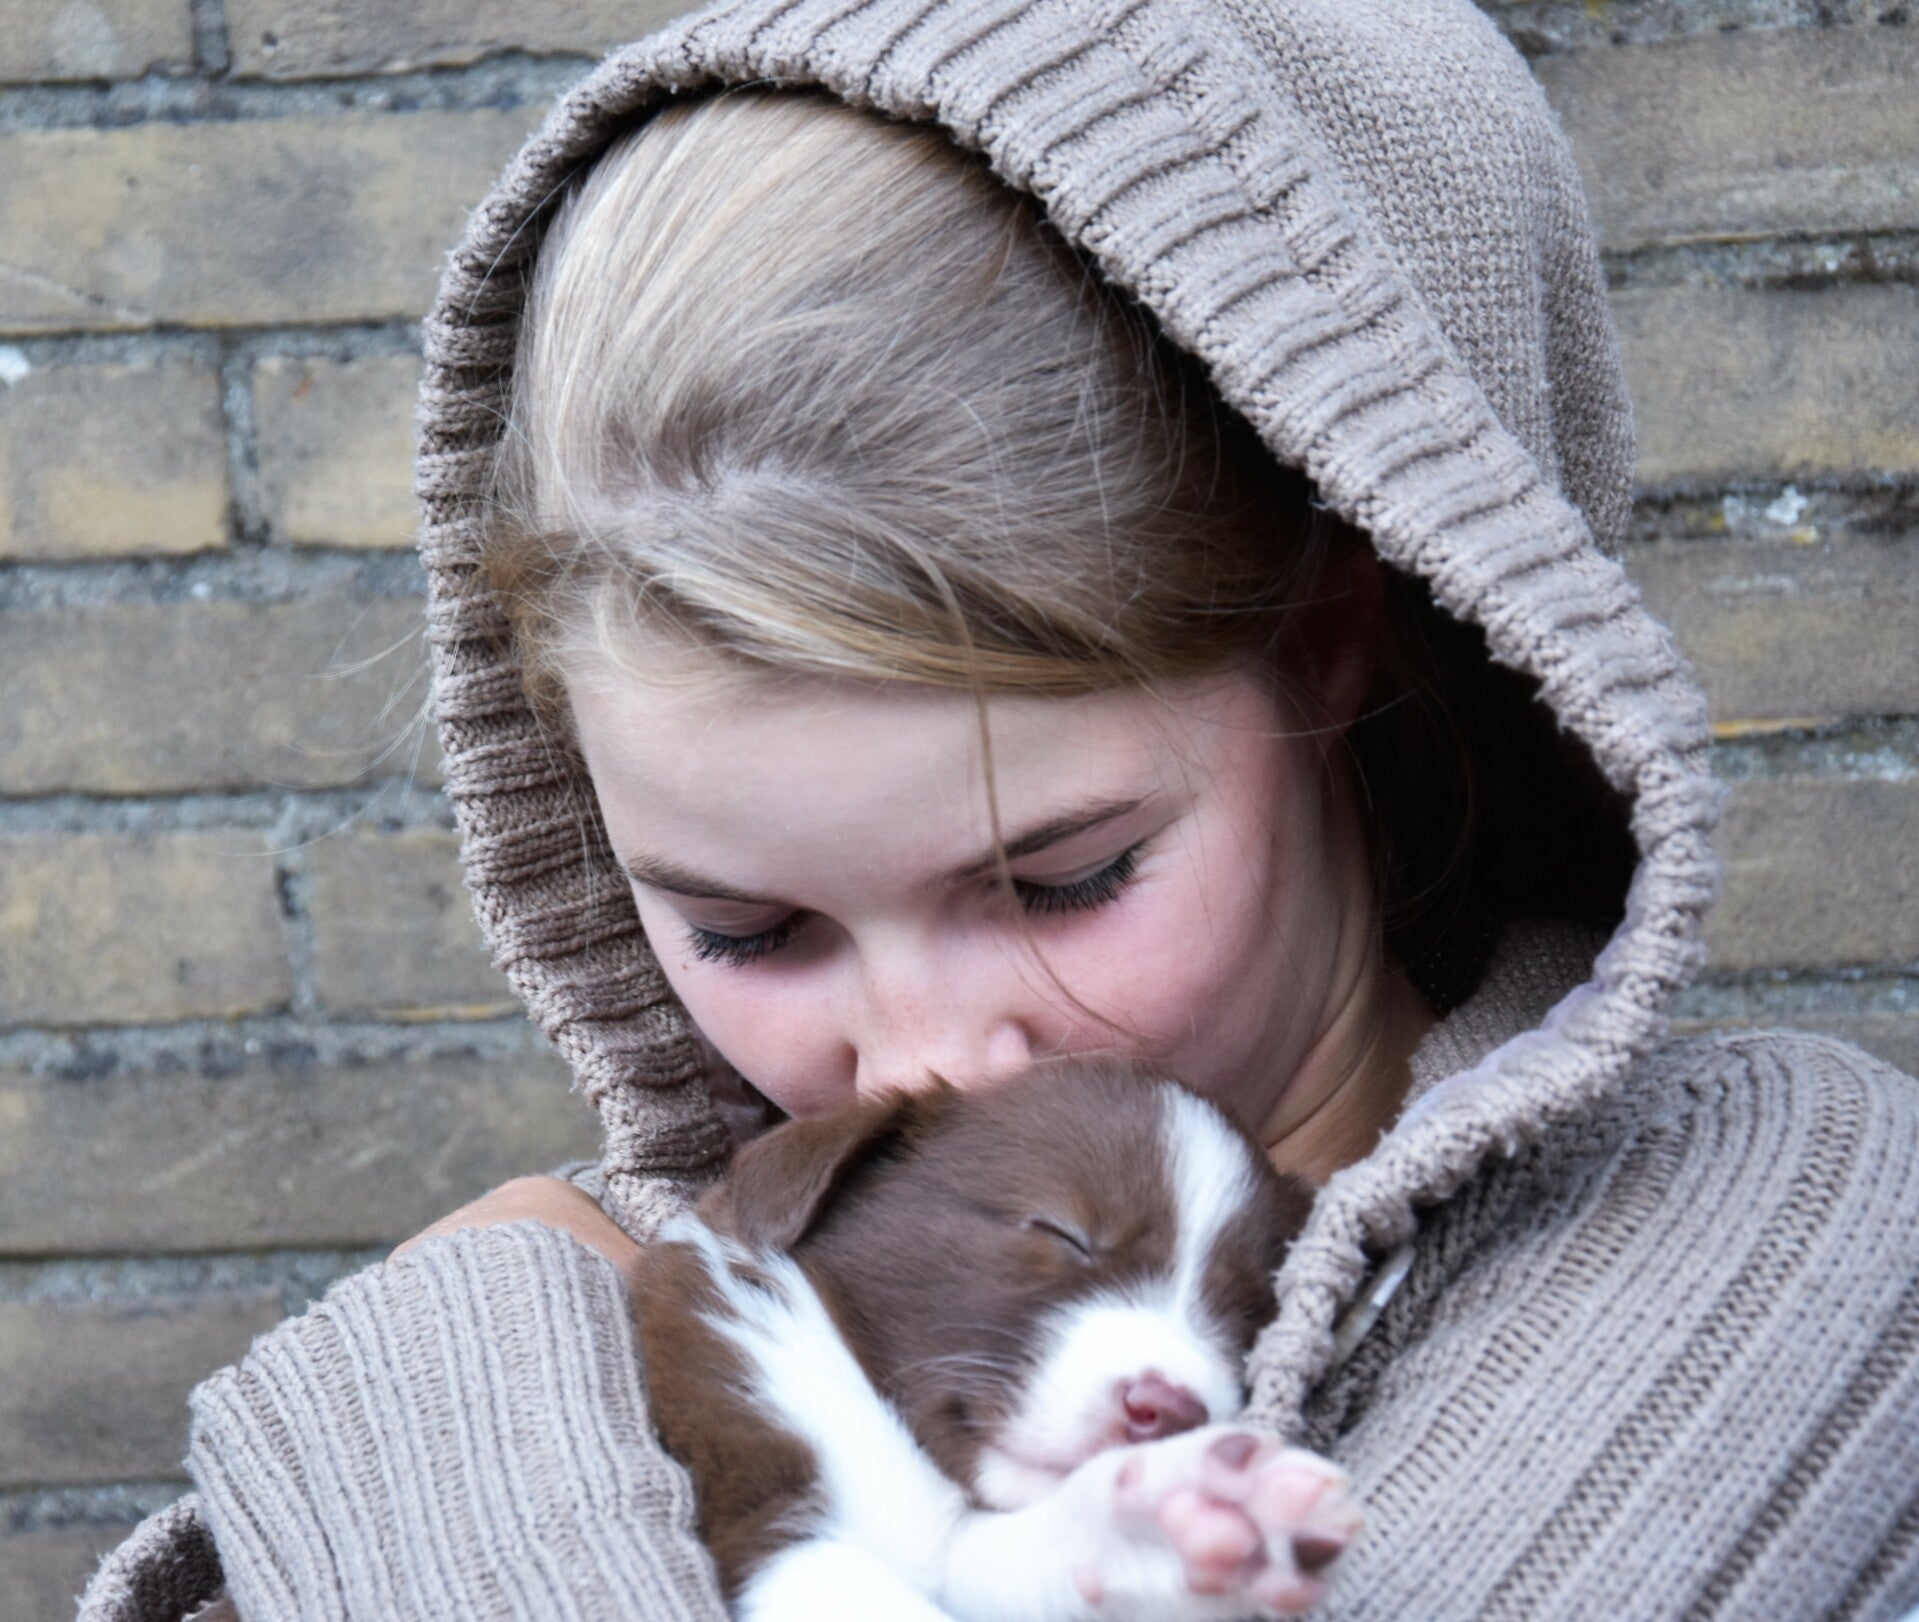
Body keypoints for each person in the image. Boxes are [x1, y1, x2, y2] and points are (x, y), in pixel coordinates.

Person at [80, 0, 1919, 1618]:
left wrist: (438, 1415)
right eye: (747, 928)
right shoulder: (615, 1271)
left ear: (1331, 641)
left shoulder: (1777, 1220)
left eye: (1061, 878)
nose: (926, 1054)